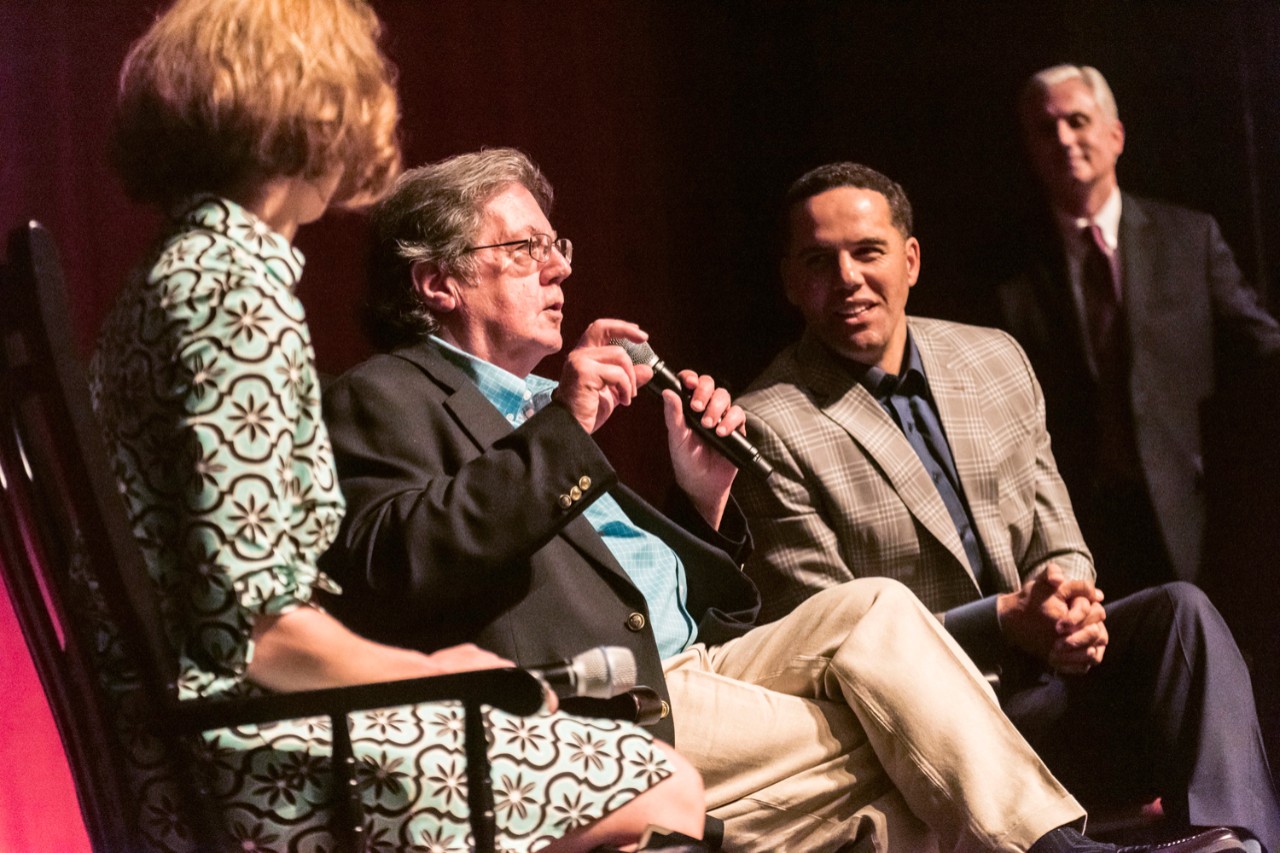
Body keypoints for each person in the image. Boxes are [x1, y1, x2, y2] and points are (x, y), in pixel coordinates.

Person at [320, 146, 1238, 853]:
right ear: (436, 282)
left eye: (556, 247)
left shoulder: (530, 410)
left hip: (702, 667)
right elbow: (397, 563)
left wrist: (701, 501)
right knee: (897, 745)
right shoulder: (387, 394)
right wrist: (567, 426)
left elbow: (643, 583)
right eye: (525, 250)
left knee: (874, 611)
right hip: (604, 699)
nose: (559, 270)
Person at [87, 2, 705, 851]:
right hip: (251, 755)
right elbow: (261, 628)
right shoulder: (235, 292)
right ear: (309, 104)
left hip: (196, 737)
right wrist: (430, 673)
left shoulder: (179, 270)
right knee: (660, 778)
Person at [732, 160, 1280, 852]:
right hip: (928, 728)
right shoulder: (769, 422)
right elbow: (832, 641)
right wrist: (1000, 622)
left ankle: (1235, 841)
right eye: (818, 260)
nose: (846, 279)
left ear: (910, 260)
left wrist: (1071, 601)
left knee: (1183, 613)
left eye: (867, 252)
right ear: (789, 281)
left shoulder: (993, 357)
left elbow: (1056, 532)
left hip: (1052, 686)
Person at [991, 64, 1280, 598]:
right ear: (1029, 149)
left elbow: (1261, 347)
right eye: (1044, 128)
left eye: (1078, 121)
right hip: (1071, 525)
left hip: (1189, 511)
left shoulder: (1189, 239)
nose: (1063, 139)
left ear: (1115, 135)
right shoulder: (1005, 267)